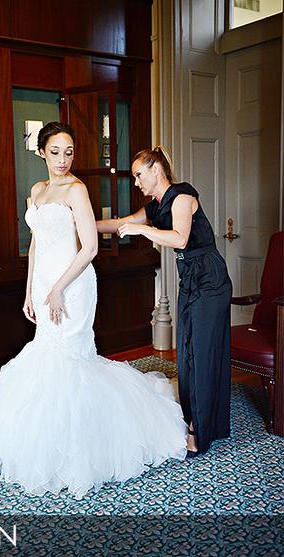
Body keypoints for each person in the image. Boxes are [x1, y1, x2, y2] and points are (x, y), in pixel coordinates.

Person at [0, 122, 186, 498]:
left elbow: (89, 248)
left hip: (72, 285)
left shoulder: (76, 189)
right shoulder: (37, 190)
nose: (63, 159)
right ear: (42, 152)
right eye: (55, 151)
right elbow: (36, 244)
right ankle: (47, 442)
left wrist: (58, 288)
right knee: (46, 355)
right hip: (44, 285)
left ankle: (83, 447)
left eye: (69, 152)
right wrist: (30, 291)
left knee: (70, 358)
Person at [97, 146, 232, 457]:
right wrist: (82, 223)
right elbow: (121, 222)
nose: (136, 182)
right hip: (191, 280)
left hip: (210, 280)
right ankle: (201, 420)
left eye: (138, 175)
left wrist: (143, 230)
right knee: (186, 354)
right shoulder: (156, 206)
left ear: (155, 169)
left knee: (201, 354)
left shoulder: (182, 196)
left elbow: (180, 238)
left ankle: (200, 431)